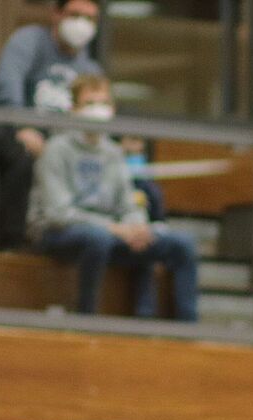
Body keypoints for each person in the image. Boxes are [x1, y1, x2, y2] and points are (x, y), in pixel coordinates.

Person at [28, 73, 199, 320]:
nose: (98, 110)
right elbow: (58, 214)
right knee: (98, 239)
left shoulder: (114, 153)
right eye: (89, 103)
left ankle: (185, 328)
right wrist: (114, 229)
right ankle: (86, 319)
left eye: (104, 103)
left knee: (182, 244)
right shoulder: (56, 149)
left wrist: (137, 227)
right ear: (73, 110)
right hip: (58, 235)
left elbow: (128, 203)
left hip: (110, 234)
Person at [0, 0, 103, 249]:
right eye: (75, 15)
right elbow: (8, 83)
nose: (81, 24)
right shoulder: (29, 40)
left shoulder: (90, 67)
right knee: (22, 157)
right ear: (56, 14)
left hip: (60, 142)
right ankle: (11, 242)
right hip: (13, 128)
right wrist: (23, 126)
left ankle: (68, 237)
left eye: (89, 18)